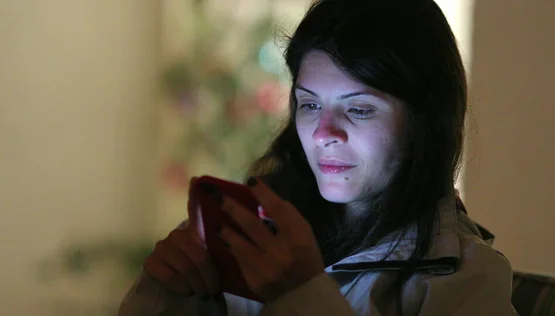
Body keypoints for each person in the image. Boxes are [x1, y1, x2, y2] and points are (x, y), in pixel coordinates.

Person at [118, 0, 517, 315]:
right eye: (309, 105)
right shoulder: (254, 228)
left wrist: (302, 295)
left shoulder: (464, 278)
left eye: (359, 109)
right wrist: (166, 290)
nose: (323, 133)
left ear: (424, 122)